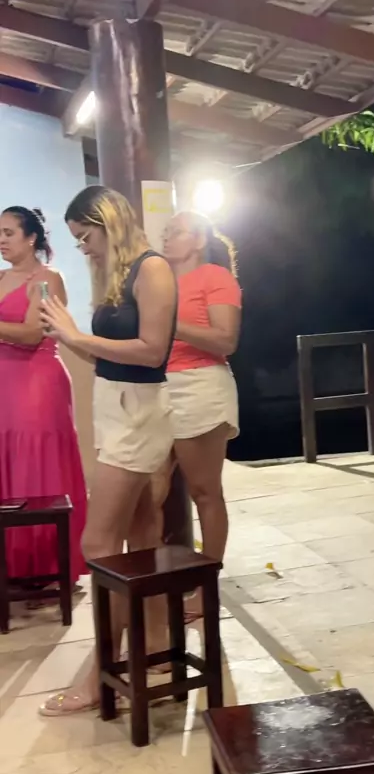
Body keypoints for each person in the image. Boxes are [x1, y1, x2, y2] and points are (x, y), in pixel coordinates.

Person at [38, 185, 177, 716]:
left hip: (139, 413)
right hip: (117, 406)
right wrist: (72, 339)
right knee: (142, 533)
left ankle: (101, 668)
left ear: (108, 222)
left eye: (85, 236)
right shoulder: (117, 274)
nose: (83, 248)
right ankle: (155, 643)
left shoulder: (152, 268)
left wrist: (76, 336)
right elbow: (112, 356)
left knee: (98, 542)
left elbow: (152, 351)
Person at [0, 206, 87, 590]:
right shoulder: (1, 277)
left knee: (36, 464)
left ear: (31, 237)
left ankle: (45, 562)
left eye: (8, 233)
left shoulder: (48, 279)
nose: (1, 241)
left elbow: (33, 333)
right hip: (4, 382)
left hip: (37, 382)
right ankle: (12, 563)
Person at [163, 211, 242, 621]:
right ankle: (153, 587)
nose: (166, 238)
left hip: (200, 384)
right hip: (156, 388)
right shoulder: (157, 281)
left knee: (204, 491)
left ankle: (206, 589)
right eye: (165, 233)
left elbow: (225, 340)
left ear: (197, 240)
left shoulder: (215, 277)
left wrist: (169, 324)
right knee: (149, 492)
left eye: (176, 232)